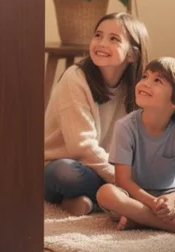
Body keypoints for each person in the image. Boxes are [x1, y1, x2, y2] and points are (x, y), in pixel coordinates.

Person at [96, 57, 175, 235]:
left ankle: (140, 219)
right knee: (106, 193)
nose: (145, 83)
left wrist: (172, 200)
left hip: (169, 198)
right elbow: (123, 181)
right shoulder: (125, 127)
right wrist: (152, 203)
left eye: (157, 80)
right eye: (145, 76)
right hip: (134, 197)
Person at [43, 12, 149, 216]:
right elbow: (81, 148)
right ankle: (120, 198)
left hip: (105, 168)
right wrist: (127, 182)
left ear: (133, 55)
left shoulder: (137, 87)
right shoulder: (75, 79)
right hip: (66, 164)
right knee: (65, 173)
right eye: (98, 35)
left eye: (113, 39)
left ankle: (91, 200)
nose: (101, 43)